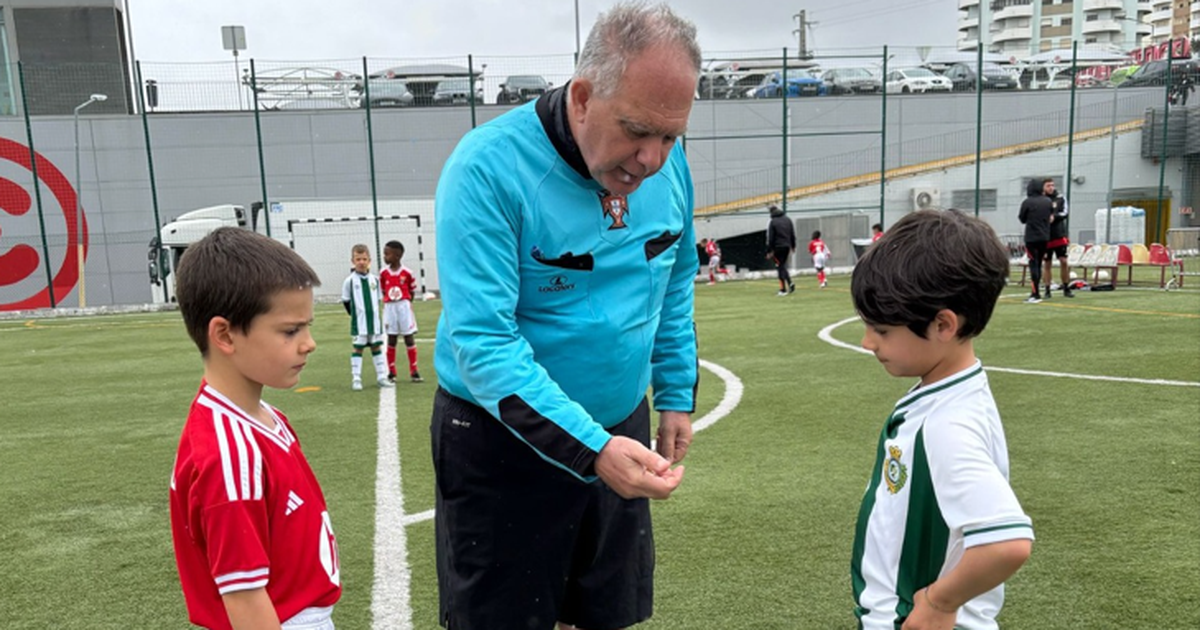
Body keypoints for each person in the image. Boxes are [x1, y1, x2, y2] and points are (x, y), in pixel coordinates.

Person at [430, 3, 700, 629]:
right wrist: (592, 448)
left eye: (670, 136)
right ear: (582, 97)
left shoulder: (668, 164)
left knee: (605, 615)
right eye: (637, 130)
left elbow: (675, 274)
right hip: (501, 443)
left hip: (620, 426)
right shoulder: (486, 169)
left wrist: (676, 391)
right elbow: (483, 342)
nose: (653, 158)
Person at [850, 209, 1034, 630]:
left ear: (943, 324)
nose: (866, 342)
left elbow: (1007, 543)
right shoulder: (951, 392)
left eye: (880, 330)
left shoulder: (947, 426)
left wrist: (938, 603)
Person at [170, 227, 341, 630]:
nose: (309, 343)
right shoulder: (230, 453)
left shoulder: (267, 417)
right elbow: (245, 599)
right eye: (290, 330)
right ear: (225, 334)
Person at [342, 244, 393, 390]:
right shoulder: (349, 281)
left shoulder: (375, 280)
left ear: (369, 260)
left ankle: (381, 377)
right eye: (358, 259)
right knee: (358, 349)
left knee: (376, 347)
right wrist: (355, 316)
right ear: (353, 261)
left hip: (375, 323)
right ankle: (356, 378)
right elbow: (346, 301)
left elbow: (378, 300)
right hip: (359, 323)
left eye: (364, 259)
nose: (361, 262)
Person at [380, 240, 424, 382]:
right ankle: (391, 371)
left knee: (408, 337)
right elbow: (383, 290)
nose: (384, 257)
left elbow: (411, 292)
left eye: (387, 254)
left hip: (404, 307)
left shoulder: (407, 273)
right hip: (390, 307)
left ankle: (414, 371)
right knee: (391, 338)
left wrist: (405, 303)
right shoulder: (383, 273)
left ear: (397, 255)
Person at [1017, 178, 1053, 303]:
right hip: (1045, 237)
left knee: (1033, 263)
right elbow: (1050, 217)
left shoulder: (1027, 202)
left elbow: (1022, 218)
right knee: (1039, 264)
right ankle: (1036, 292)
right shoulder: (1048, 201)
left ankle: (1035, 293)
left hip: (1031, 237)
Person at [1040, 179, 1074, 299]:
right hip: (1045, 236)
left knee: (1064, 261)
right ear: (1043, 187)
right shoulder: (1040, 199)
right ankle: (1047, 289)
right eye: (1048, 185)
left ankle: (1066, 287)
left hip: (1059, 235)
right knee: (1047, 263)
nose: (1051, 187)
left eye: (1052, 185)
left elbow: (1065, 213)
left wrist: (1054, 217)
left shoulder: (1060, 198)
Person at [766, 203, 796, 296]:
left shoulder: (773, 222)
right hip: (787, 246)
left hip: (777, 248)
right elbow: (792, 234)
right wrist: (793, 246)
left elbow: (770, 238)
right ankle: (790, 283)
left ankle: (782, 289)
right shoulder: (788, 220)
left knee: (779, 267)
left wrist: (769, 250)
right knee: (782, 265)